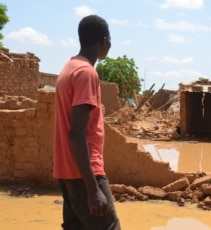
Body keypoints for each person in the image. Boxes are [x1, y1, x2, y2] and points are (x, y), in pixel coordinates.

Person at [53, 14, 121, 230]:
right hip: (86, 172)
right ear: (104, 41)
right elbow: (77, 133)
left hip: (67, 171)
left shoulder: (69, 68)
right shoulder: (86, 73)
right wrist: (93, 190)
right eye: (109, 39)